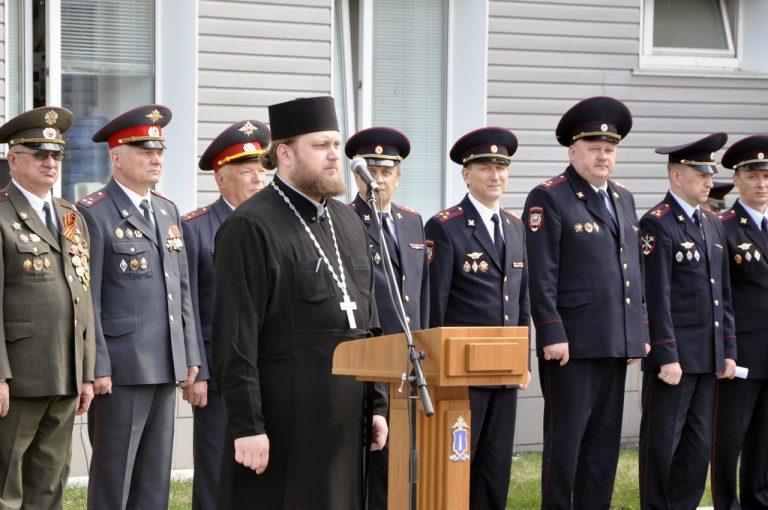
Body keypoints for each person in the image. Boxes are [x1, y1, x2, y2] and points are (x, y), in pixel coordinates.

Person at [211, 96, 387, 510]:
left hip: (346, 420)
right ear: (285, 154)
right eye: (321, 145)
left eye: (335, 145)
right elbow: (234, 339)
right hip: (283, 420)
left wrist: (376, 404)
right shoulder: (250, 226)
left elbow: (370, 321)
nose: (334, 156)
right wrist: (247, 425)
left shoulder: (349, 221)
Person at [522, 96, 648, 510]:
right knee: (566, 447)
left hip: (613, 342)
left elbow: (631, 270)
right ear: (572, 150)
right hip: (571, 347)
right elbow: (541, 275)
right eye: (594, 148)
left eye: (610, 149)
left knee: (604, 447)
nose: (603, 156)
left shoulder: (623, 198)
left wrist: (637, 332)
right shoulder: (549, 197)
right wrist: (552, 332)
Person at [77, 105, 201, 510]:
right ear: (116, 157)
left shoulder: (167, 210)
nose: (156, 159)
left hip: (165, 364)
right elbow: (88, 298)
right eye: (144, 151)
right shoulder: (94, 213)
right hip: (123, 368)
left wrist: (189, 354)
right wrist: (98, 365)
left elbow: (182, 290)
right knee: (114, 478)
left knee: (154, 480)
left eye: (159, 152)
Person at [426, 127, 529, 510]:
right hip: (462, 369)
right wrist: (436, 367)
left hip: (504, 367)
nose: (495, 175)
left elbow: (523, 301)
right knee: (459, 462)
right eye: (486, 167)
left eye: (502, 168)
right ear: (466, 174)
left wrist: (523, 360)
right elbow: (435, 303)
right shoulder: (446, 226)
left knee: (495, 465)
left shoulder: (516, 228)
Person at [0, 107, 95, 509]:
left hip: (65, 374)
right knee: (7, 486)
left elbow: (83, 297)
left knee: (51, 485)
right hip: (19, 377)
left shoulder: (70, 217)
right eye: (39, 153)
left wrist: (86, 372)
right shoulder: (1, 214)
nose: (50, 162)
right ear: (13, 158)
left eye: (56, 155)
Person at [639, 132, 736, 510]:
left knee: (697, 450)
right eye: (701, 174)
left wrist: (728, 350)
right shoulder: (657, 223)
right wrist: (666, 355)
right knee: (661, 447)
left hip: (708, 358)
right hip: (675, 360)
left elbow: (722, 295)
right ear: (676, 176)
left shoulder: (712, 225)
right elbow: (655, 295)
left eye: (710, 174)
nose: (709, 181)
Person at [181, 119, 270, 510]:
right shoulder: (196, 228)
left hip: (268, 369)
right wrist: (196, 370)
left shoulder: (272, 226)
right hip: (217, 375)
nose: (258, 178)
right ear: (221, 179)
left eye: (262, 170)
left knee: (262, 468)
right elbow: (188, 303)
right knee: (216, 464)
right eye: (247, 171)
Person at [345, 126, 429, 509]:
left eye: (387, 171)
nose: (379, 179)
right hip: (370, 355)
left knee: (406, 452)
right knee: (374, 455)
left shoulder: (412, 222)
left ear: (398, 176)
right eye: (371, 171)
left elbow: (420, 292)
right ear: (358, 176)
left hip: (410, 357)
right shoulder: (344, 221)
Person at [712, 135, 768, 509]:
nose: (761, 183)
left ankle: (758, 502)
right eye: (753, 176)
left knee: (765, 440)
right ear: (737, 180)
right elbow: (721, 297)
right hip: (742, 352)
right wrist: (725, 350)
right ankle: (726, 504)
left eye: (766, 176)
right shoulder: (724, 227)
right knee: (729, 438)